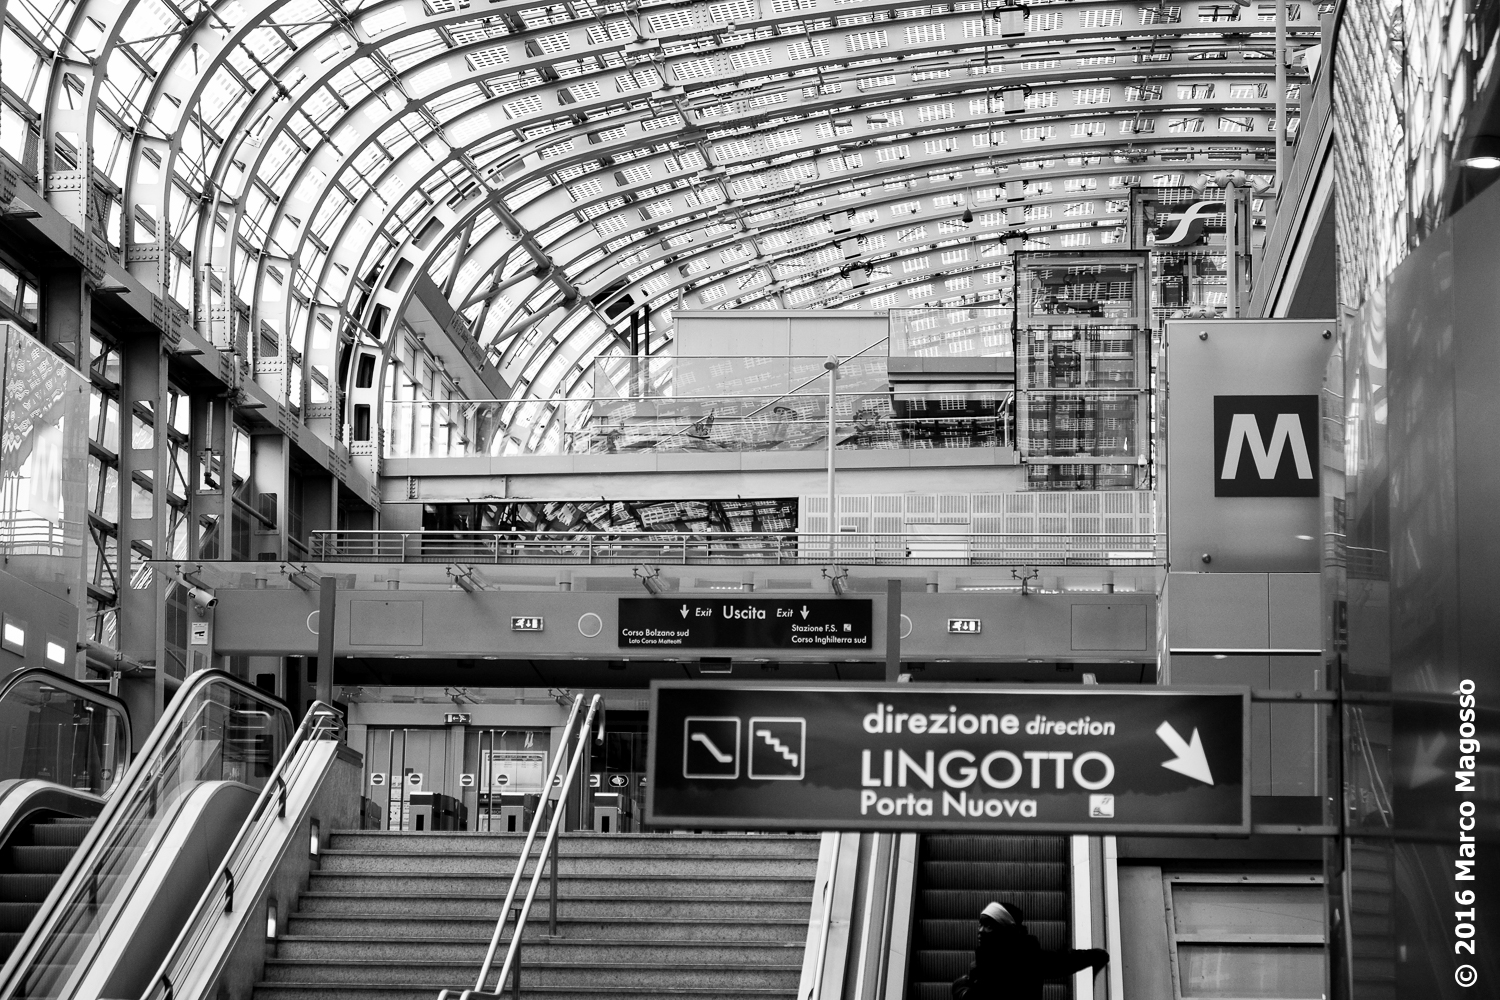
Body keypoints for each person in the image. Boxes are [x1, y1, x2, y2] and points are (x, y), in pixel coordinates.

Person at [951, 901, 1109, 1000]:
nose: (980, 930)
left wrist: (962, 991)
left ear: (1005, 929)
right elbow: (1062, 960)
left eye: (989, 925)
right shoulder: (1024, 954)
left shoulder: (1019, 959)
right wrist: (1095, 955)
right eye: (980, 924)